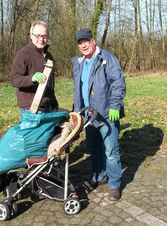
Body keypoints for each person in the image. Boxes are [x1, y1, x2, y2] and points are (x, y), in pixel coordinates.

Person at [71, 28, 126, 201]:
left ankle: (115, 184)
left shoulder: (106, 58)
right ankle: (99, 177)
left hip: (107, 114)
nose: (84, 45)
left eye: (86, 41)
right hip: (88, 115)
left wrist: (115, 105)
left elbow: (118, 82)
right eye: (80, 43)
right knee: (94, 149)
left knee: (111, 151)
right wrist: (76, 112)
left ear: (93, 40)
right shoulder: (79, 63)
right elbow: (78, 90)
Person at [10, 21, 58, 118]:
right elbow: (14, 79)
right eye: (38, 36)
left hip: (48, 106)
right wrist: (32, 79)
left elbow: (50, 84)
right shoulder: (23, 54)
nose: (41, 39)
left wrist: (54, 102)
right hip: (31, 109)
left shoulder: (49, 57)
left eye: (44, 36)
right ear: (31, 36)